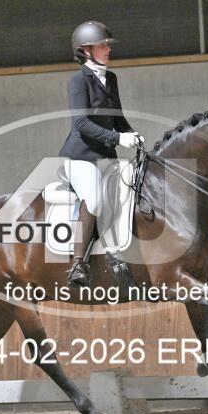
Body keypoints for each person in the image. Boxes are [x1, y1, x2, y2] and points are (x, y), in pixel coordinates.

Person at [58, 21, 144, 288]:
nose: (108, 49)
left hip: (106, 157)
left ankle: (114, 252)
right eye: (102, 45)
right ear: (86, 50)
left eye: (107, 45)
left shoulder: (111, 79)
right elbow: (81, 123)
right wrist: (118, 139)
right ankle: (77, 264)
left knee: (127, 193)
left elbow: (118, 118)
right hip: (80, 157)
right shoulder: (78, 81)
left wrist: (132, 135)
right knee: (94, 198)